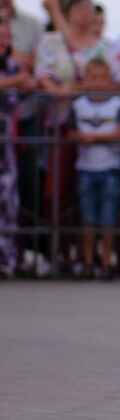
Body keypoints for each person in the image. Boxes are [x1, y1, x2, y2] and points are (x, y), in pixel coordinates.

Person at [67, 57, 120, 279]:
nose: (97, 82)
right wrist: (81, 137)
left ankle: (106, 263)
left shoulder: (118, 104)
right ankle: (87, 262)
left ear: (110, 80)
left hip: (110, 167)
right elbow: (70, 131)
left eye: (102, 77)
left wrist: (96, 137)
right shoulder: (78, 104)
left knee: (109, 219)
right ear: (85, 79)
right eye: (92, 77)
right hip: (85, 168)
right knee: (88, 218)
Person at [0, 18, 38, 277]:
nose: (4, 42)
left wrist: (29, 83)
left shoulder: (12, 65)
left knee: (8, 202)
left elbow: (25, 82)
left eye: (6, 39)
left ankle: (6, 260)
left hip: (6, 145)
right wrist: (14, 83)